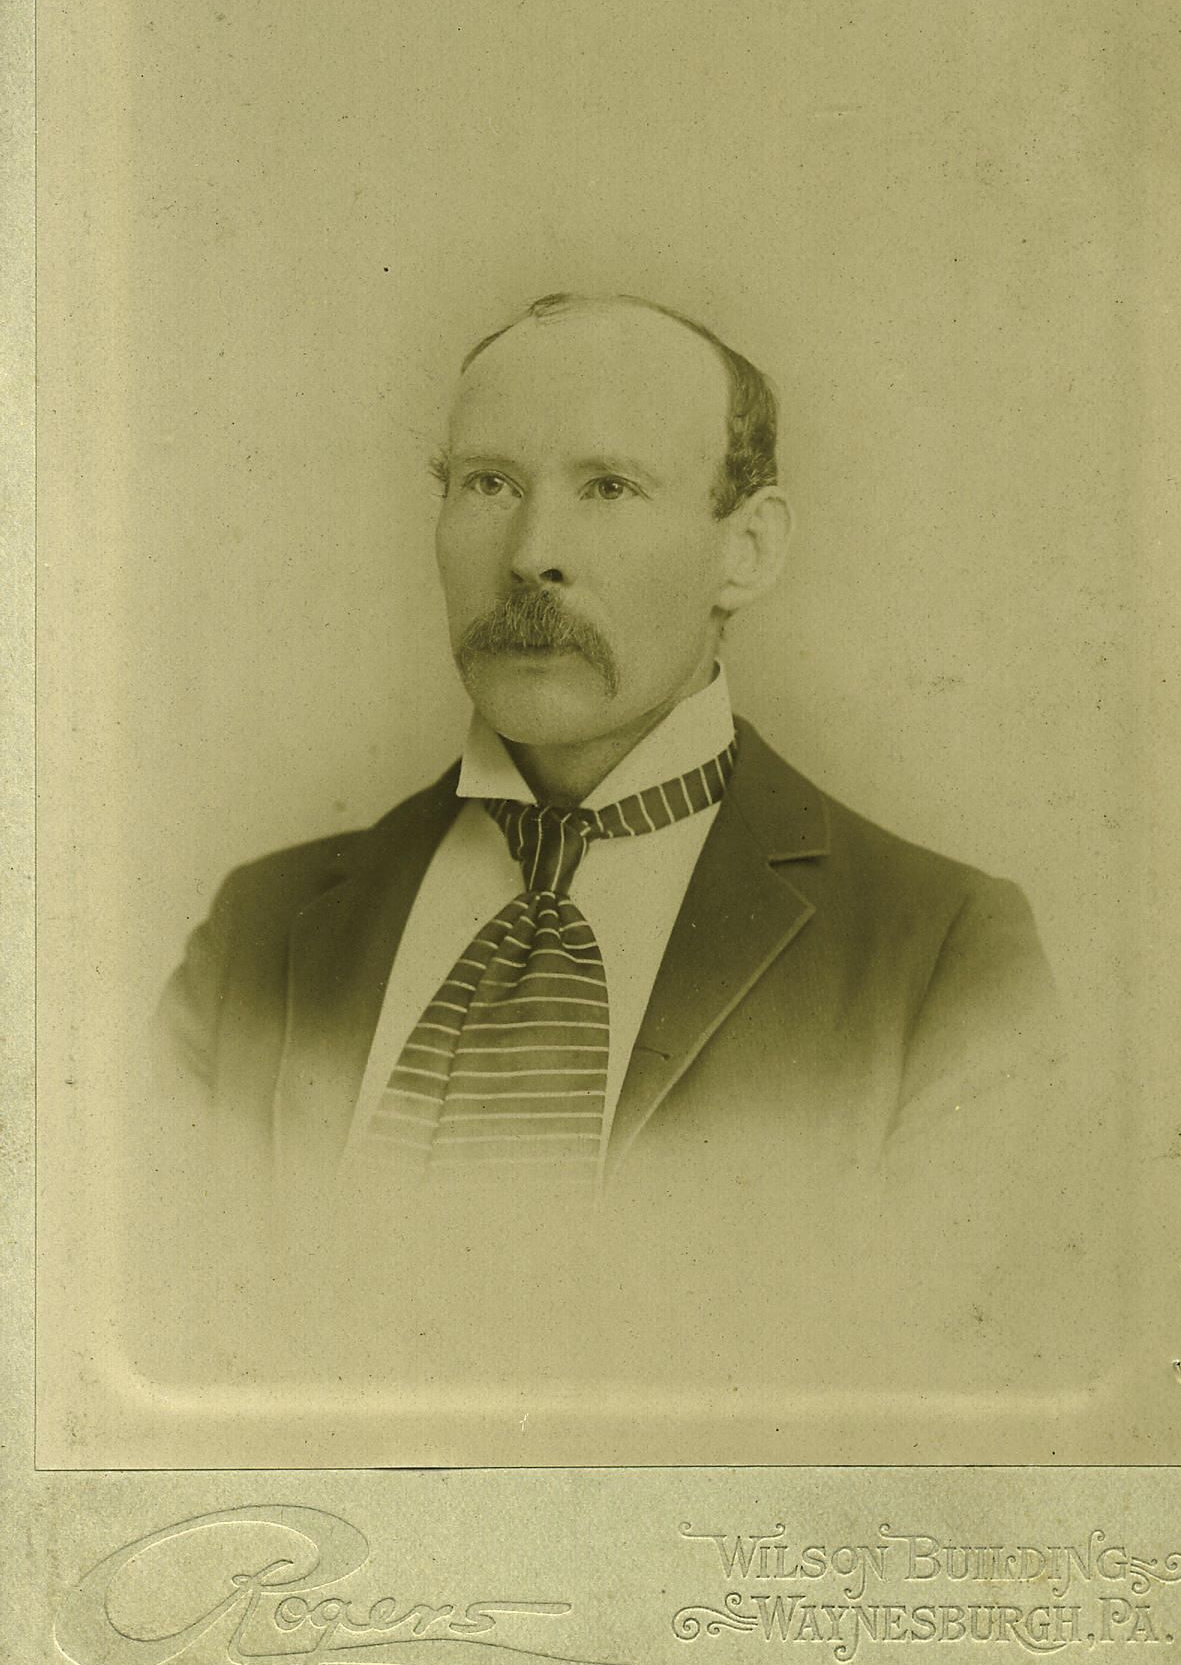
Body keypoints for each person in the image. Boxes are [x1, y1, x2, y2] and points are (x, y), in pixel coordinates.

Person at [142, 290, 1096, 1419]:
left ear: (746, 549)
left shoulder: (945, 960)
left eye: (608, 487)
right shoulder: (258, 933)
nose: (531, 555)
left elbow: (940, 1407)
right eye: (487, 484)